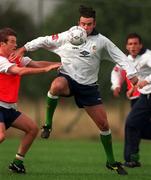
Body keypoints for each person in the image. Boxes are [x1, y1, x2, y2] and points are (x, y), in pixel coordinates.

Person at [12, 5, 138, 175]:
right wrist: (24, 48)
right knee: (56, 86)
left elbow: (121, 58)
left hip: (89, 88)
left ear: (94, 24)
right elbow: (43, 40)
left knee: (104, 125)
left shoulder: (102, 42)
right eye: (83, 24)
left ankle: (110, 161)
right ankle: (48, 124)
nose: (86, 27)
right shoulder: (67, 36)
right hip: (68, 79)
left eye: (89, 24)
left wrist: (131, 74)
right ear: (78, 23)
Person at [0, 27, 61, 174]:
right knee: (1, 136)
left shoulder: (16, 57)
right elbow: (19, 71)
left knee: (32, 129)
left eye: (16, 42)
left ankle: (17, 164)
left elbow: (37, 63)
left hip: (10, 108)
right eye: (12, 42)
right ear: (2, 44)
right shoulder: (1, 60)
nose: (16, 45)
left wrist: (59, 64)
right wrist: (46, 70)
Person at [111, 33, 151, 167]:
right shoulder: (126, 59)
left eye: (135, 43)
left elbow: (144, 78)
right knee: (134, 125)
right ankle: (131, 159)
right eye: (130, 44)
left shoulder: (148, 56)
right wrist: (116, 85)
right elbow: (116, 71)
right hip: (143, 96)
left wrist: (146, 81)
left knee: (132, 124)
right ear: (126, 46)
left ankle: (131, 159)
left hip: (145, 95)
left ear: (140, 45)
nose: (133, 46)